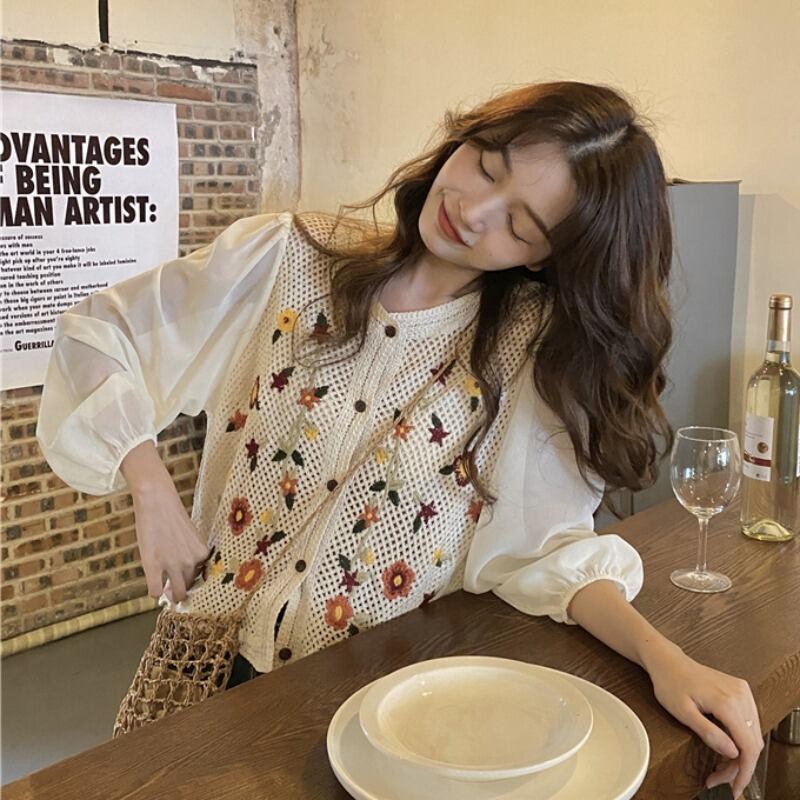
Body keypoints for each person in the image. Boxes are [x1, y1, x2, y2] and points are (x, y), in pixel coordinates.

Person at [36, 80, 761, 797]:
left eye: (521, 225)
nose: (472, 212)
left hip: (374, 703)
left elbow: (543, 551)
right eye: (487, 165)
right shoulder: (285, 259)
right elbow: (97, 336)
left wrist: (666, 660)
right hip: (200, 666)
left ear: (546, 255)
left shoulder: (527, 354)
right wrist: (151, 487)